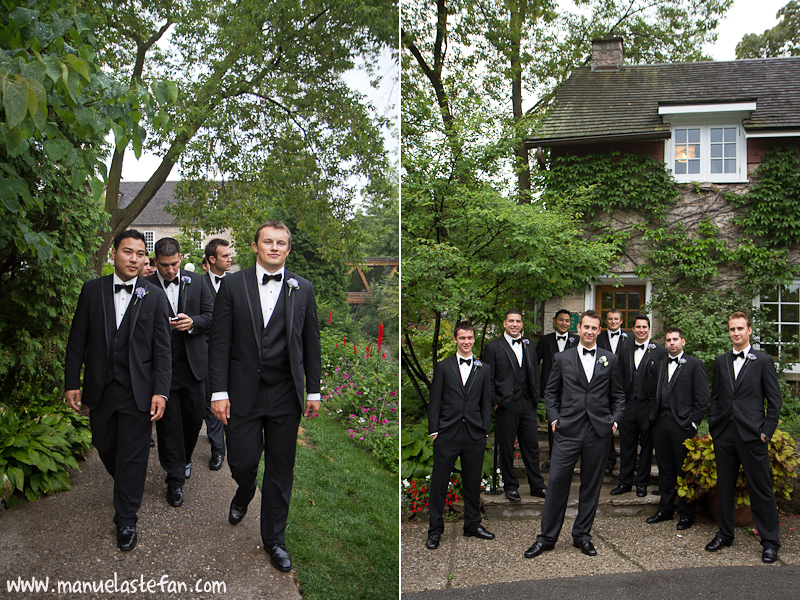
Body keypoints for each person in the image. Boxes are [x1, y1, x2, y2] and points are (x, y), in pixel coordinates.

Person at [209, 220, 321, 572]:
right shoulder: (233, 285)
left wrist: (313, 390)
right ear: (255, 247)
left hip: (286, 395)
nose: (274, 247)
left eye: (281, 243)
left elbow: (311, 344)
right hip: (242, 393)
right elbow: (219, 342)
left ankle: (274, 540)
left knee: (280, 470)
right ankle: (244, 490)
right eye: (268, 242)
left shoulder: (302, 288)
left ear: (288, 249)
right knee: (242, 461)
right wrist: (218, 390)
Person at [64, 229, 171, 551]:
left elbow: (163, 349)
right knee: (105, 444)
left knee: (133, 455)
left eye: (141, 254)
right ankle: (127, 482)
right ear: (114, 253)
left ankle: (126, 518)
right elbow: (77, 341)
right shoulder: (91, 291)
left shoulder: (154, 295)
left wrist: (161, 391)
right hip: (101, 388)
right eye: (128, 252)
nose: (135, 259)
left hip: (138, 391)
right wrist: (72, 382)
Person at [525, 309, 625, 558]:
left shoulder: (609, 359)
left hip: (598, 431)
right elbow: (551, 393)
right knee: (558, 482)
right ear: (578, 329)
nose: (589, 331)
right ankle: (546, 538)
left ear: (599, 331)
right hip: (568, 430)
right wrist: (555, 418)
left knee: (591, 485)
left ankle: (582, 535)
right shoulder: (562, 358)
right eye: (586, 327)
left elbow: (619, 396)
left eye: (594, 328)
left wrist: (613, 421)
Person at [705, 311, 782, 563]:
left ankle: (770, 542)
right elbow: (716, 397)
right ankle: (725, 534)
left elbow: (775, 400)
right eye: (732, 329)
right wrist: (715, 428)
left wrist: (765, 432)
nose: (735, 333)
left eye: (740, 328)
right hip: (725, 435)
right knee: (724, 487)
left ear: (749, 330)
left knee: (761, 489)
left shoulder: (762, 361)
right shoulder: (721, 360)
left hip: (752, 436)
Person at [146, 237, 213, 507]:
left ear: (181, 257)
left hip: (194, 366)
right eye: (164, 266)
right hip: (163, 369)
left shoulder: (197, 281)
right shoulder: (145, 286)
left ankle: (184, 459)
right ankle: (174, 480)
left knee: (194, 419)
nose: (170, 271)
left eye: (174, 264)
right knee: (168, 425)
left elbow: (213, 315)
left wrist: (192, 322)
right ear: (156, 261)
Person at [426, 320, 494, 550]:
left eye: (470, 338)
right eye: (462, 338)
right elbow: (435, 401)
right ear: (455, 340)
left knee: (472, 483)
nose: (466, 342)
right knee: (439, 484)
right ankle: (435, 530)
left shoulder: (483, 368)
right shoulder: (443, 367)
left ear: (474, 339)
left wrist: (484, 429)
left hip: (474, 434)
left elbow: (487, 402)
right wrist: (435, 431)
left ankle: (472, 525)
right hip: (447, 433)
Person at [645, 327, 708, 530]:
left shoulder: (694, 365)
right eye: (668, 340)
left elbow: (702, 398)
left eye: (675, 339)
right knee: (665, 469)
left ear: (683, 342)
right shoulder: (660, 365)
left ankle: (687, 513)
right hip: (660, 424)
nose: (671, 343)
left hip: (682, 425)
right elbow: (652, 393)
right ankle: (665, 510)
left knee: (684, 470)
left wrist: (692, 422)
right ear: (665, 344)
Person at [482, 309, 545, 501]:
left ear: (522, 324)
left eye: (518, 321)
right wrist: (495, 402)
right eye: (511, 321)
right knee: (507, 448)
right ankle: (510, 486)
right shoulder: (493, 347)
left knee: (531, 447)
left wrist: (536, 398)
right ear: (504, 323)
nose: (514, 324)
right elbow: (488, 378)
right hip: (506, 405)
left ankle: (537, 485)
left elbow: (534, 373)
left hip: (528, 404)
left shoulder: (528, 345)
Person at [611, 313, 667, 497]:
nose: (641, 330)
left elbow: (663, 381)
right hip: (628, 406)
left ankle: (641, 483)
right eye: (638, 327)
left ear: (649, 329)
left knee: (646, 447)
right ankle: (624, 483)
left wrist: (656, 407)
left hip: (648, 406)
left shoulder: (659, 351)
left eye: (644, 327)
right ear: (633, 329)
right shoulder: (625, 348)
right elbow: (617, 377)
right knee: (627, 447)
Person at [201, 238, 233, 470]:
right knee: (212, 401)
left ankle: (235, 443)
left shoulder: (237, 283)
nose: (230, 259)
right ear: (212, 259)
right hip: (207, 354)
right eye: (225, 256)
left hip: (236, 356)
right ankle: (217, 450)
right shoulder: (198, 285)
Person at [536, 309, 577, 469]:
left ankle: (571, 458)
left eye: (567, 321)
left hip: (572, 391)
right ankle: (553, 458)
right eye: (561, 320)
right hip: (552, 391)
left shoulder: (576, 340)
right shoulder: (545, 340)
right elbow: (535, 363)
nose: (564, 323)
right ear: (554, 321)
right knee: (553, 424)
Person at [597, 308, 630, 473]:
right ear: (605, 321)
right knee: (606, 425)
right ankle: (609, 459)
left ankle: (627, 460)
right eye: (610, 319)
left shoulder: (630, 338)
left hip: (627, 390)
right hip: (604, 389)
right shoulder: (598, 338)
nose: (613, 322)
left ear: (621, 321)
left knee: (626, 428)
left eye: (616, 319)